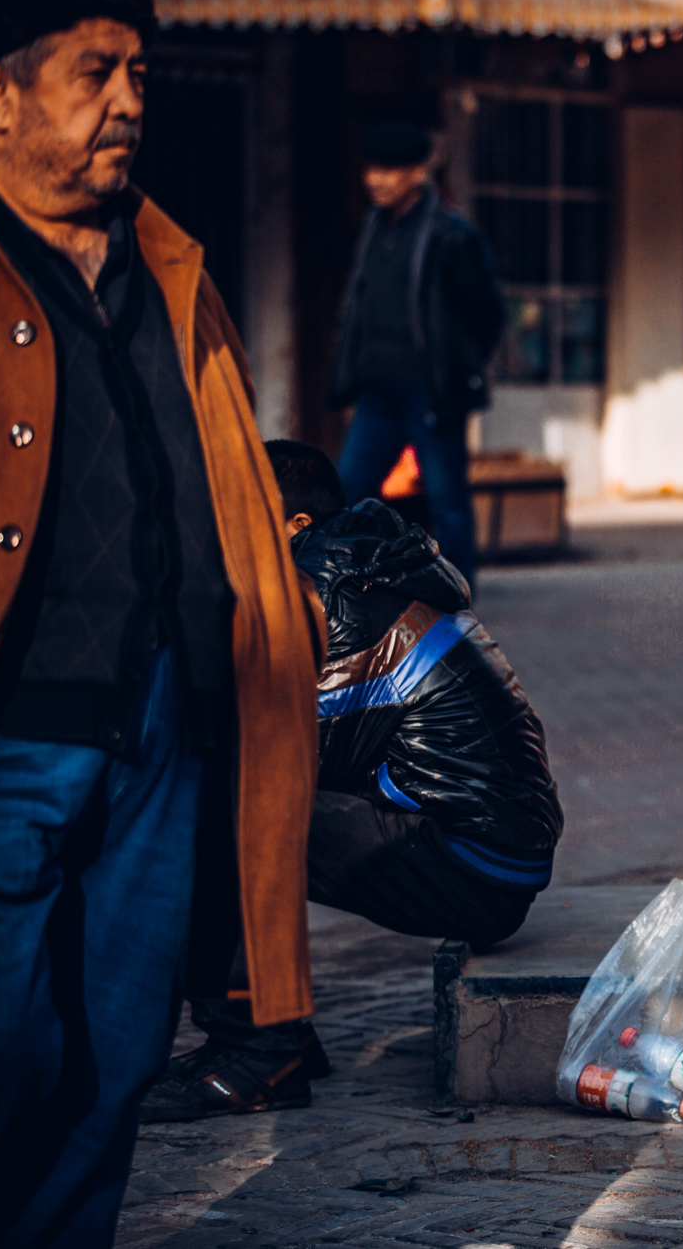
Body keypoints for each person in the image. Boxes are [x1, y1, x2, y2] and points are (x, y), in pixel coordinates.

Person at [0, 0, 320, 1241]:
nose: (128, 103)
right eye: (94, 72)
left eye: (140, 74)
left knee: (108, 1069)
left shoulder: (168, 261)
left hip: (164, 737)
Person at [141, 442, 564, 1121]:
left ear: (293, 526)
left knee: (226, 809)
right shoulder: (362, 571)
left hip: (475, 865)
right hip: (490, 847)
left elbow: (283, 762)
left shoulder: (328, 601)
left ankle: (256, 1053)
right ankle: (273, 1030)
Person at [329, 121, 505, 589]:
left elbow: (488, 311)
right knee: (351, 489)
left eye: (388, 170)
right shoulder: (371, 228)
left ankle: (456, 596)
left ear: (417, 172)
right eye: (371, 169)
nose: (375, 180)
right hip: (377, 389)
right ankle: (353, 590)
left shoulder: (451, 233)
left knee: (447, 499)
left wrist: (458, 369)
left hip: (429, 390)